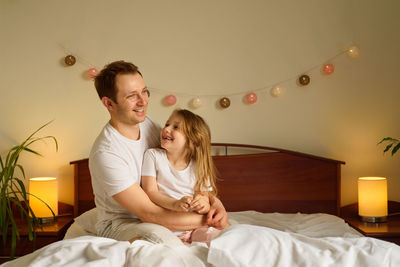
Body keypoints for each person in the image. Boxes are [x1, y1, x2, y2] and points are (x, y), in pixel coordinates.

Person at [89, 60, 229, 246]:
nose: (143, 101)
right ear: (109, 103)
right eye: (132, 96)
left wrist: (217, 206)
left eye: (144, 91)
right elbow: (150, 213)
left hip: (163, 214)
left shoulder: (150, 127)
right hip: (123, 223)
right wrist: (209, 218)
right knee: (159, 240)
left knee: (228, 236)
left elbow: (187, 167)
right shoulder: (106, 153)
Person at [141, 109, 222, 246]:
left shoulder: (199, 166)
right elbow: (150, 192)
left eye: (176, 127)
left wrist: (204, 205)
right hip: (164, 227)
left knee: (217, 239)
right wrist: (175, 204)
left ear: (193, 140)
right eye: (167, 124)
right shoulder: (153, 155)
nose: (166, 129)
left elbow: (204, 196)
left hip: (194, 228)